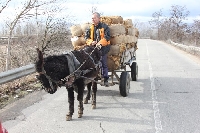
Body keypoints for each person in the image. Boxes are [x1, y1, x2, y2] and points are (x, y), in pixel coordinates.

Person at [85, 12, 111, 87]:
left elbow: (107, 37)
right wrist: (91, 42)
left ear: (99, 19)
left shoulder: (104, 27)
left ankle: (105, 78)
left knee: (103, 64)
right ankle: (90, 77)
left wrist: (100, 43)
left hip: (103, 49)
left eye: (94, 18)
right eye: (92, 18)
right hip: (92, 49)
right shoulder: (90, 28)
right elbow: (86, 37)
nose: (92, 19)